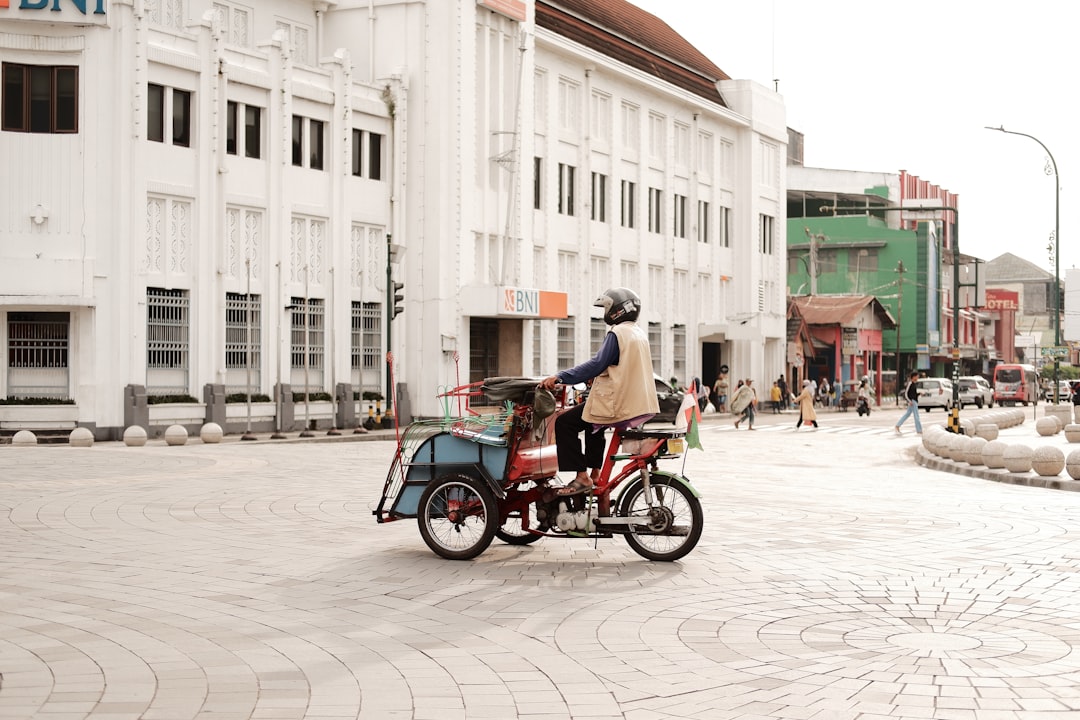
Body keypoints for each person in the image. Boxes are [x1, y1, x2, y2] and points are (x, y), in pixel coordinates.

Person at [540, 288, 658, 497]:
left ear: (616, 310)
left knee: (564, 423)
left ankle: (581, 476)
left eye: (606, 307)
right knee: (593, 423)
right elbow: (618, 366)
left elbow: (597, 363)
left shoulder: (617, 333)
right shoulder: (638, 333)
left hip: (619, 403)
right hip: (638, 403)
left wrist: (561, 377)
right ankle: (595, 472)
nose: (605, 312)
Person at [894, 370, 923, 435]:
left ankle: (897, 426)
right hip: (912, 401)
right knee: (916, 416)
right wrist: (909, 401)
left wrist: (919, 394)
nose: (918, 377)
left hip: (914, 401)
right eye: (917, 376)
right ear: (914, 377)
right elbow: (906, 393)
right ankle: (919, 430)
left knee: (907, 414)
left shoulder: (914, 384)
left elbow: (913, 394)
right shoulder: (910, 383)